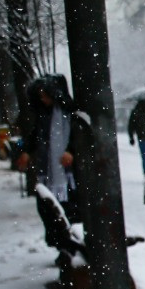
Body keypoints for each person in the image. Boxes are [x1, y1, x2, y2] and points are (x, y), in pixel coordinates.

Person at [17, 76, 82, 218]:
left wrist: (70, 150)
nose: (43, 99)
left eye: (45, 96)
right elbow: (36, 135)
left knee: (68, 205)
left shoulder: (66, 113)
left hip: (66, 169)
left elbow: (76, 135)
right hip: (49, 165)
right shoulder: (44, 113)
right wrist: (27, 151)